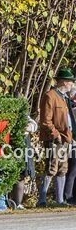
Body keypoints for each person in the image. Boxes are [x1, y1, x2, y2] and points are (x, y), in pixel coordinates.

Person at [38, 69, 74, 207]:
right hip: (54, 139)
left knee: (63, 169)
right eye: (70, 82)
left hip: (65, 138)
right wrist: (56, 134)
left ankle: (60, 200)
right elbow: (45, 120)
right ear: (64, 82)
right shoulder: (50, 96)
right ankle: (42, 200)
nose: (72, 84)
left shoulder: (64, 98)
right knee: (51, 168)